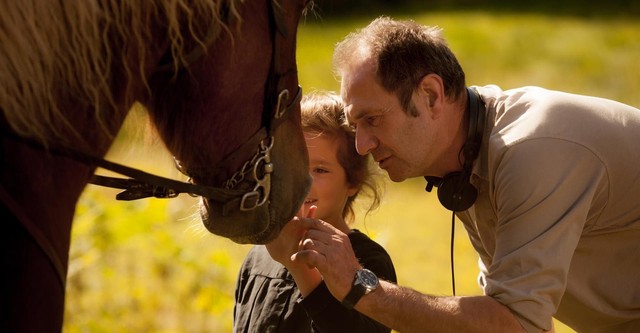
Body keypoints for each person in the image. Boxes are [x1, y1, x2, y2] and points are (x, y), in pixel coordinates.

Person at [291, 16, 640, 333]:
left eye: (372, 119)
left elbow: (515, 324)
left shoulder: (532, 150)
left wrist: (361, 286)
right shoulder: (464, 161)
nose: (362, 145)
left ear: (430, 95)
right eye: (355, 126)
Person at [233, 91, 397, 333]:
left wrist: (303, 270)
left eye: (320, 170)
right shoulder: (258, 256)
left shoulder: (368, 260)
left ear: (352, 181)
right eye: (291, 164)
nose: (301, 180)